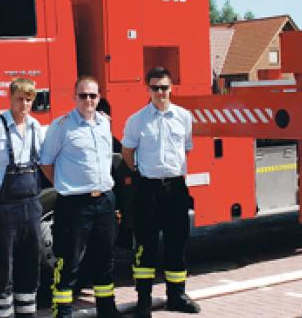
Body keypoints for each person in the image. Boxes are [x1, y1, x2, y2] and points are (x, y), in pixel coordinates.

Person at [122, 67, 201, 316]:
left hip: (176, 188)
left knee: (176, 243)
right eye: (155, 88)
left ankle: (176, 295)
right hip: (148, 189)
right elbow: (127, 152)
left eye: (164, 87)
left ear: (171, 88)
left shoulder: (184, 117)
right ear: (148, 89)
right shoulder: (137, 120)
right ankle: (143, 300)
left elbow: (186, 148)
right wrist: (140, 171)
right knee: (145, 246)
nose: (160, 92)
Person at [40, 75, 120, 318]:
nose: (88, 100)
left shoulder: (105, 123)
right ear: (74, 97)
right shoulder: (61, 126)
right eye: (83, 95)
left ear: (99, 98)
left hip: (104, 201)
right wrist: (64, 185)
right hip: (75, 204)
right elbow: (46, 162)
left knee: (104, 260)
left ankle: (107, 310)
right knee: (68, 262)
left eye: (93, 95)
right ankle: (62, 312)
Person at [0, 78, 45, 318]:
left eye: (29, 99)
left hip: (31, 207)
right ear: (10, 99)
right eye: (20, 99)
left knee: (30, 265)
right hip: (2, 210)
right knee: (2, 268)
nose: (24, 104)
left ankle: (27, 314)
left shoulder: (36, 127)